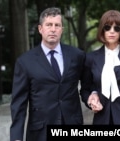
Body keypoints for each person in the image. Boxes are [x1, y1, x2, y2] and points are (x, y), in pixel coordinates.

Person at [10, 7, 85, 141]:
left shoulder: (77, 56)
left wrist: (93, 96)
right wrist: (16, 137)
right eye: (49, 25)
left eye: (57, 25)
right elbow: (19, 104)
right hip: (41, 132)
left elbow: (87, 85)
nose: (53, 29)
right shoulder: (25, 62)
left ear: (62, 29)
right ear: (40, 29)